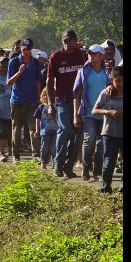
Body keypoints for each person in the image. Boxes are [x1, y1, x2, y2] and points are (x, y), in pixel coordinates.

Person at [47, 29, 86, 178]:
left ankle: (68, 167)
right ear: (62, 42)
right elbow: (49, 82)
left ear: (76, 41)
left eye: (70, 40)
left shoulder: (81, 55)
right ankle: (58, 164)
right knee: (65, 130)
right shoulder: (55, 57)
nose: (68, 43)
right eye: (65, 41)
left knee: (78, 134)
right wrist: (50, 104)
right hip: (62, 100)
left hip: (80, 100)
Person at [73, 44, 110, 182]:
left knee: (101, 144)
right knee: (89, 141)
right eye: (89, 54)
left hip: (105, 114)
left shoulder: (108, 73)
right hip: (88, 113)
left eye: (94, 54)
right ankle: (86, 167)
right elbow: (76, 95)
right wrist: (76, 115)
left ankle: (98, 171)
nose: (91, 56)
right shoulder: (82, 72)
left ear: (101, 55)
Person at [7, 38, 42, 163]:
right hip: (17, 101)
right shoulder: (14, 62)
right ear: (20, 48)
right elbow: (8, 82)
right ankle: (16, 157)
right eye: (23, 49)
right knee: (16, 129)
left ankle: (36, 155)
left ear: (31, 49)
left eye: (28, 49)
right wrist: (19, 72)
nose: (25, 52)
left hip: (32, 101)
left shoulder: (36, 63)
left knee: (33, 128)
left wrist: (38, 99)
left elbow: (37, 81)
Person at [92, 64, 123, 193]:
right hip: (109, 132)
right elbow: (94, 110)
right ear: (112, 80)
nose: (121, 84)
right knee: (109, 161)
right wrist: (108, 112)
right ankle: (106, 187)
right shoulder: (106, 93)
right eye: (118, 81)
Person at [33, 88, 59, 170]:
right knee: (44, 147)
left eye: (50, 95)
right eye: (45, 95)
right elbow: (37, 119)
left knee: (54, 148)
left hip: (56, 131)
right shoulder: (41, 107)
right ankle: (43, 162)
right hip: (44, 131)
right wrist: (37, 130)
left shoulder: (57, 106)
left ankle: (54, 164)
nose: (46, 97)